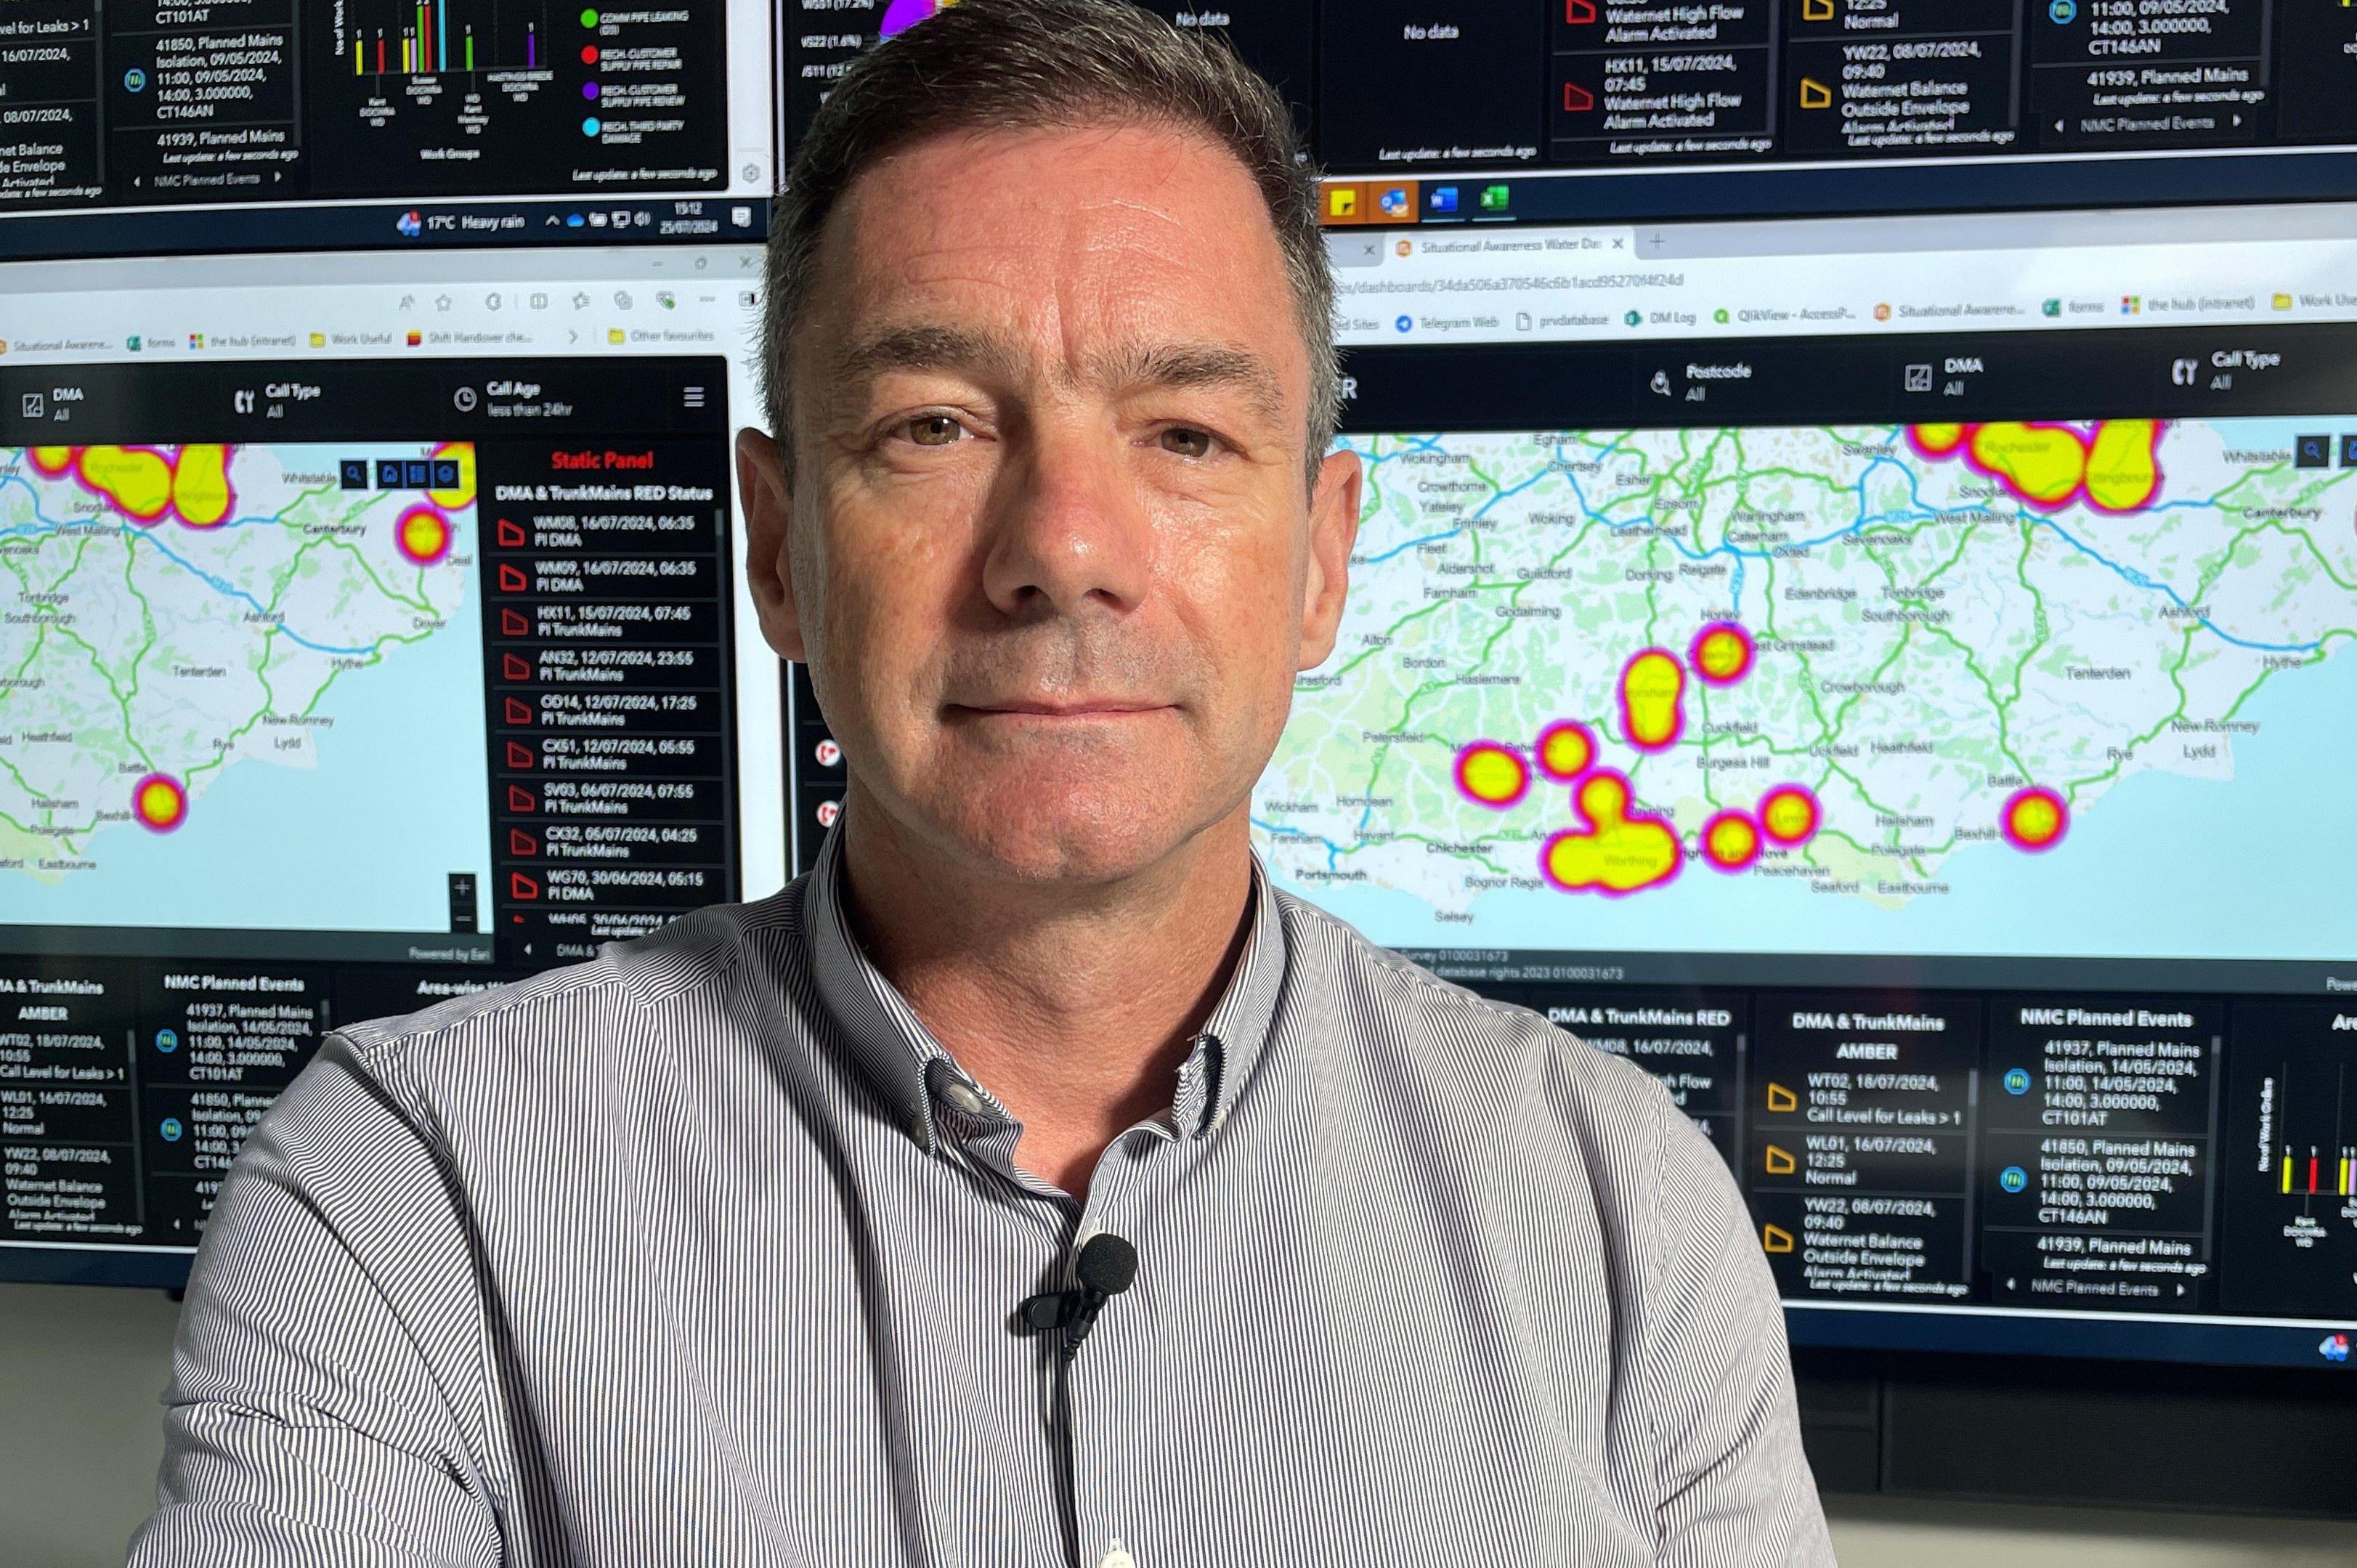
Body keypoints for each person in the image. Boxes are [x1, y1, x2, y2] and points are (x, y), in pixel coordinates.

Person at [127, 1, 1832, 1561]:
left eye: (1185, 434)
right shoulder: (418, 1191)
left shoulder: (1622, 1211)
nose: (1061, 551)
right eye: (934, 426)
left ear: (1320, 564)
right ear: (782, 549)